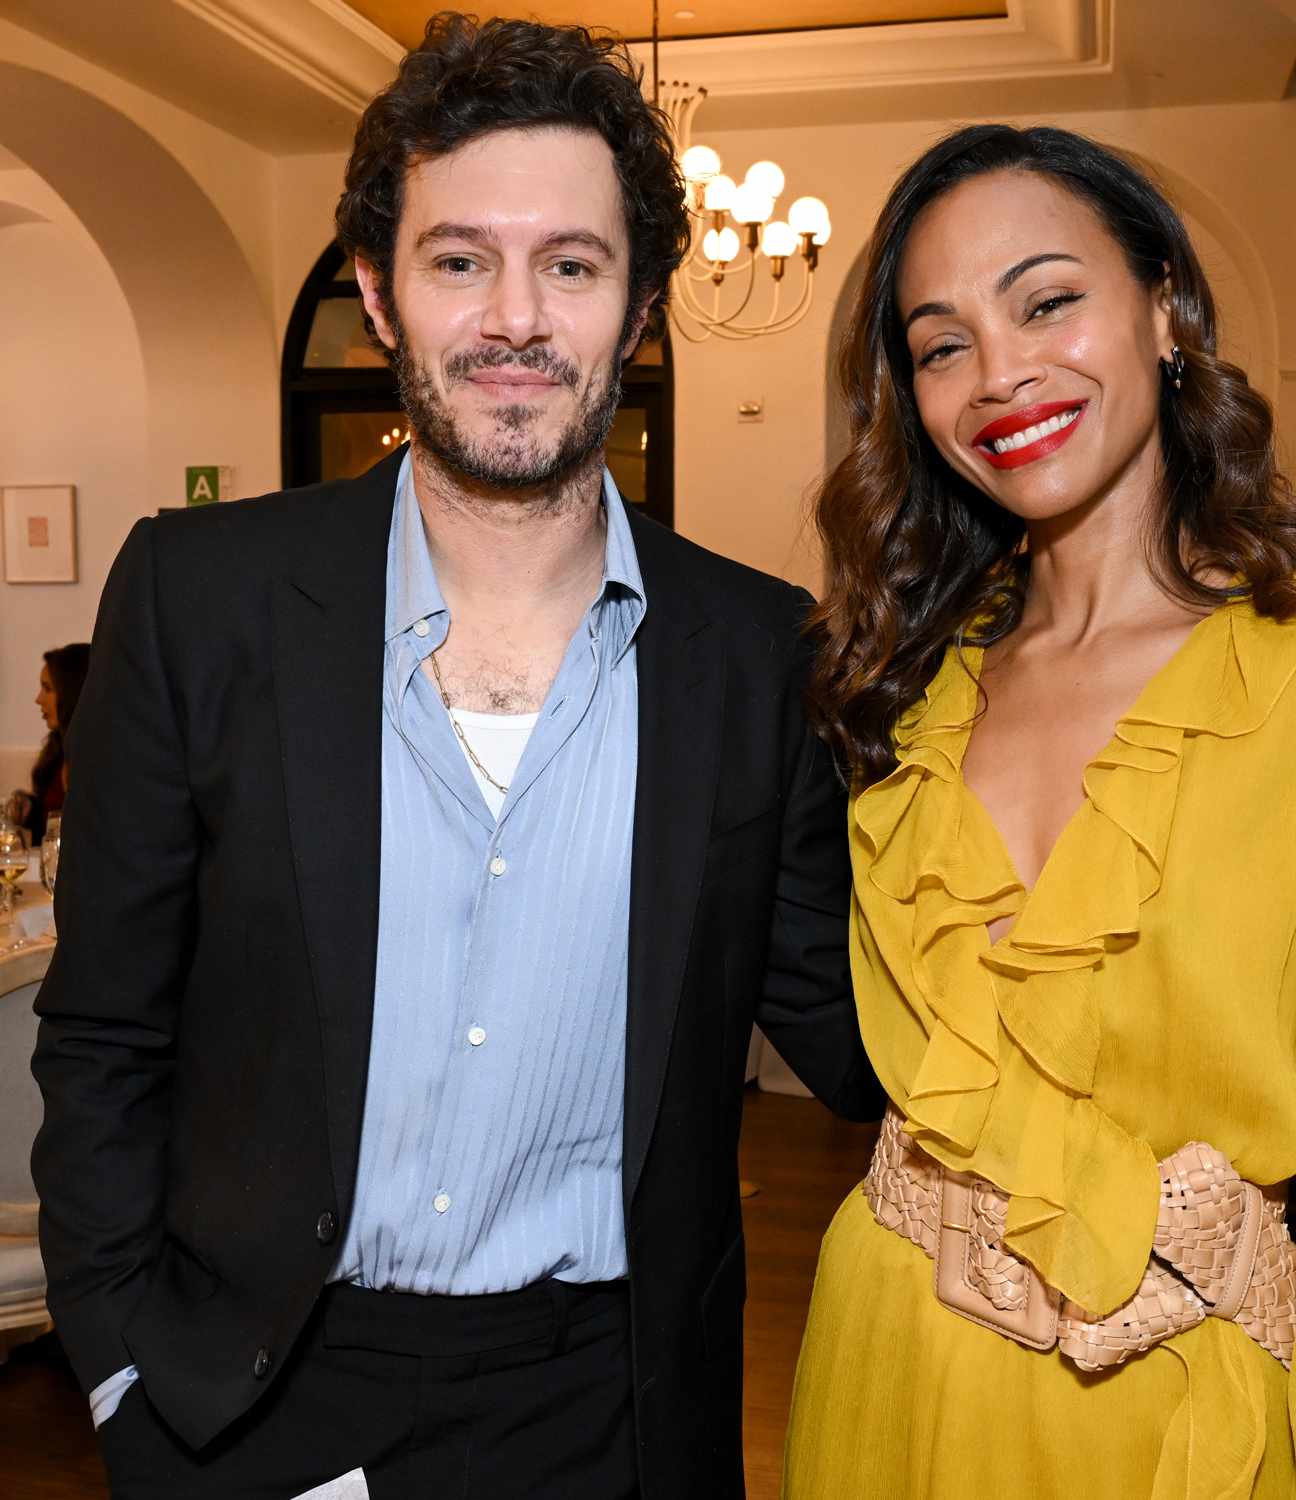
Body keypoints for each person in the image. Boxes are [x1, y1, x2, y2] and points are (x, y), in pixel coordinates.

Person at [31, 15, 879, 1499]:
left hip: (609, 1411)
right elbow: (106, 1032)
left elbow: (866, 1037)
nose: (514, 319)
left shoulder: (758, 655)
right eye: (458, 259)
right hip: (252, 1392)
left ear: (639, 309)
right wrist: (123, 1374)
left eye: (571, 263)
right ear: (378, 293)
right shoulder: (200, 596)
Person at [784, 124, 1296, 1499]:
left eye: (1048, 301)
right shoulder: (899, 689)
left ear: (1166, 307)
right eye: (940, 344)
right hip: (880, 1370)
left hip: (1167, 1423)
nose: (1000, 376)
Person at [9, 642, 89, 845]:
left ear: (71, 692)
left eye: (47, 688)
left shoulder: (99, 759)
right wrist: (28, 808)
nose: (38, 699)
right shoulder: (58, 752)